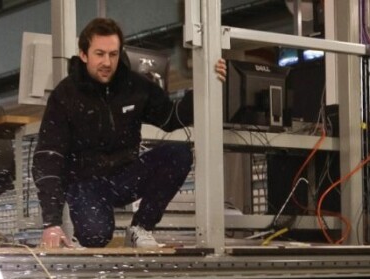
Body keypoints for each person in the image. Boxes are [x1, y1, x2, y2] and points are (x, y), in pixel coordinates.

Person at [32, 17, 226, 248]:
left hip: (125, 175)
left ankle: (141, 227)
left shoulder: (135, 86)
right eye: (100, 54)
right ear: (83, 55)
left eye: (113, 54)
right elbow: (49, 157)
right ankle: (86, 231)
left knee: (179, 153)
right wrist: (51, 223)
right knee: (95, 237)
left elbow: (172, 118)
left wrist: (207, 83)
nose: (107, 62)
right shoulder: (65, 96)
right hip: (86, 182)